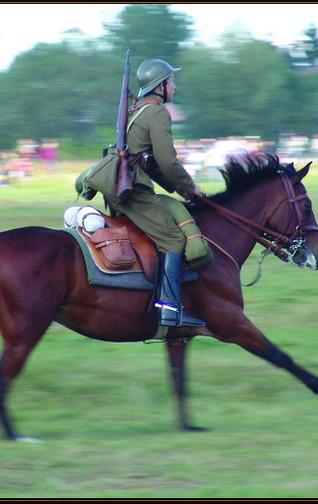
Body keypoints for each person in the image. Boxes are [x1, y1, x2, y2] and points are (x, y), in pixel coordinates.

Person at [82, 58, 205, 328]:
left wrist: (181, 188)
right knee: (173, 240)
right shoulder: (158, 113)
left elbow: (149, 163)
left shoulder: (136, 110)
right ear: (161, 86)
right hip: (132, 190)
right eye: (172, 81)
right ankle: (170, 310)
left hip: (117, 186)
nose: (175, 86)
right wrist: (190, 186)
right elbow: (167, 161)